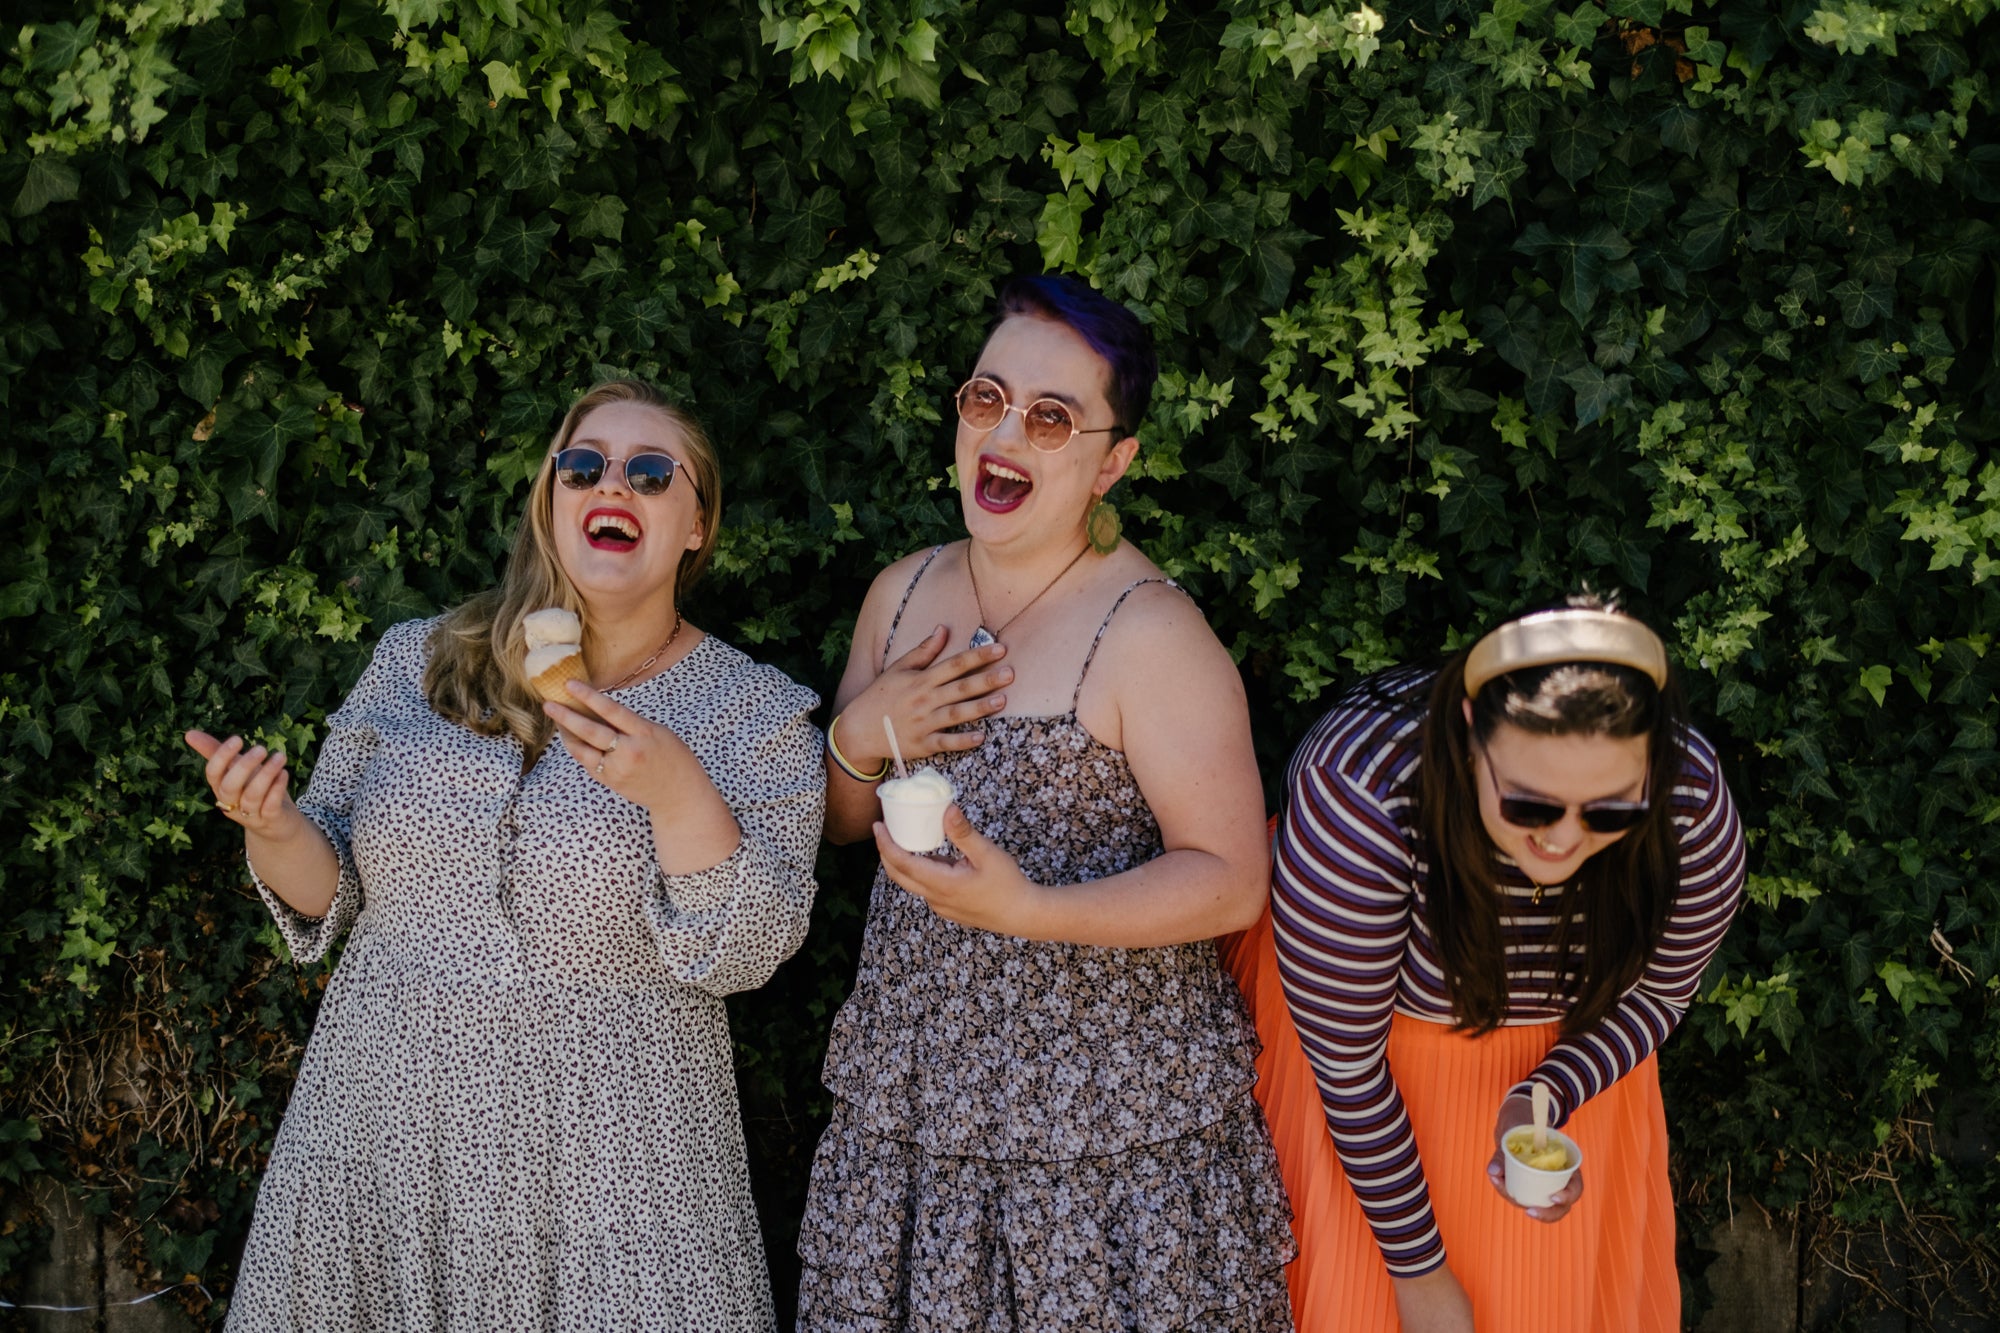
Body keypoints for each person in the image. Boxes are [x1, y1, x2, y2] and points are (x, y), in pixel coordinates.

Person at [185, 380, 824, 1332]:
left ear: (698, 523)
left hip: (614, 1162)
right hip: (385, 1125)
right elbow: (334, 893)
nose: (614, 484)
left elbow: (749, 950)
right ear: (551, 498)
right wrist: (272, 824)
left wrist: (677, 790)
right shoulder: (421, 657)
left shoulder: (752, 711)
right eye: (584, 465)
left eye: (652, 472)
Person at [793, 275, 1296, 1331]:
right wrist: (862, 730)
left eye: (1052, 415)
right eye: (988, 398)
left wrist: (1031, 911)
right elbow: (841, 821)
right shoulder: (899, 594)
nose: (1006, 432)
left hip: (1105, 1142)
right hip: (915, 1115)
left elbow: (1229, 881)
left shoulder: (1150, 635)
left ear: (1111, 461)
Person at [1234, 599, 1745, 1332]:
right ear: (1472, 731)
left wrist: (1542, 1095)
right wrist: (1420, 1278)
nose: (1565, 841)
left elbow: (1659, 996)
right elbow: (1347, 1066)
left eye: (1608, 812)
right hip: (1363, 1079)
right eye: (1531, 804)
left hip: (1574, 1070)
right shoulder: (1364, 794)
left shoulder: (1689, 803)